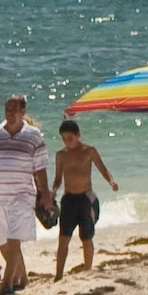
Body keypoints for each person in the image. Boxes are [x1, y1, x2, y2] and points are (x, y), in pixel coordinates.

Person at [0, 94, 51, 293]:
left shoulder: (33, 136)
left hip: (23, 195)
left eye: (14, 110)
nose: (10, 114)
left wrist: (45, 192)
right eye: (7, 110)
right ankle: (22, 278)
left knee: (14, 239)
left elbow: (40, 168)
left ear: (23, 112)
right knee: (3, 242)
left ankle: (7, 283)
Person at [51, 118, 119, 278]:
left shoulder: (89, 151)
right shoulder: (61, 155)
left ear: (78, 135)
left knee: (86, 237)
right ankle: (58, 275)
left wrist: (111, 182)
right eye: (64, 139)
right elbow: (58, 178)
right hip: (68, 199)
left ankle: (88, 270)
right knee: (63, 239)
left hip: (85, 199)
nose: (67, 142)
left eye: (70, 138)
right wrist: (53, 190)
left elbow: (103, 169)